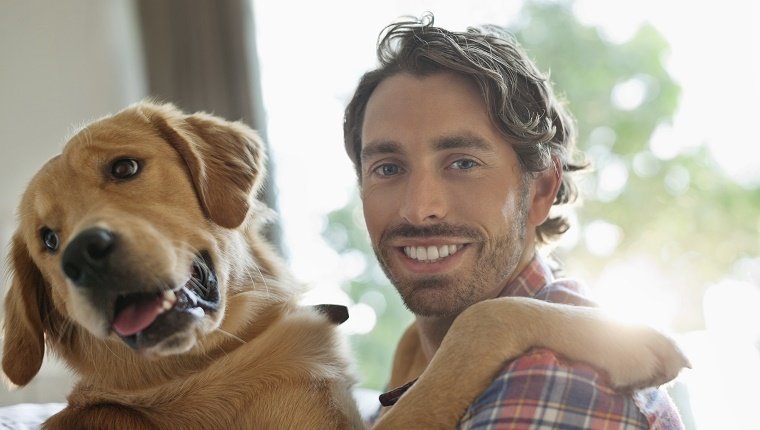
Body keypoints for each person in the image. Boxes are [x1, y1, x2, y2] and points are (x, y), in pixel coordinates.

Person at [342, 14, 685, 429]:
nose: (419, 208)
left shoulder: (554, 377)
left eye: (463, 162)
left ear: (541, 191)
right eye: (388, 169)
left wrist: (494, 330)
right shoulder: (417, 360)